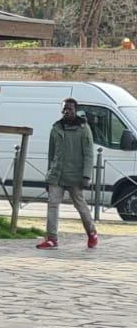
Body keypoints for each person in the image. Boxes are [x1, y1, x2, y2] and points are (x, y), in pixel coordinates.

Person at [38, 97, 98, 251]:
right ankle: (51, 238)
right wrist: (48, 175)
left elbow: (89, 154)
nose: (67, 111)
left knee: (80, 205)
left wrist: (86, 175)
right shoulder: (56, 128)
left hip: (75, 176)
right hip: (56, 174)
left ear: (75, 110)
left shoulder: (84, 129)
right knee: (52, 205)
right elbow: (51, 154)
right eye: (64, 108)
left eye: (70, 109)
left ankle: (92, 233)